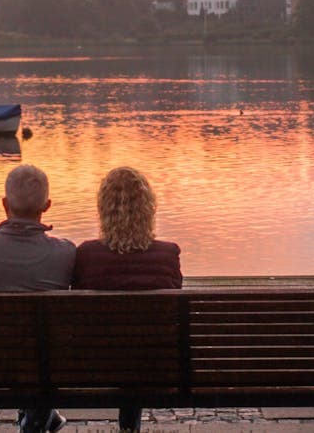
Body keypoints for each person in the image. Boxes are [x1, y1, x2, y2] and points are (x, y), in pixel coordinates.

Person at [0, 164, 74, 433]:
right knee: (42, 347)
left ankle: (37, 418)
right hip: (46, 367)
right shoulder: (65, 253)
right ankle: (38, 418)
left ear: (5, 204)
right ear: (47, 205)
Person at [72, 166, 182, 432]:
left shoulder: (87, 255)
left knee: (120, 343)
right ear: (148, 208)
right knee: (139, 342)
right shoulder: (168, 254)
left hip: (96, 368)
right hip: (157, 367)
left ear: (103, 208)